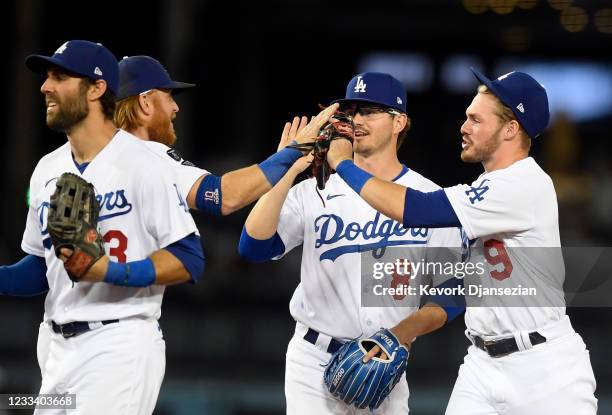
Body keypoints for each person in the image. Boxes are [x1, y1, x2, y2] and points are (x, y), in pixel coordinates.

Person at [325, 68, 598, 414]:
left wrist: (343, 165)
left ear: (511, 129)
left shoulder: (523, 184)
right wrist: (401, 331)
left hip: (545, 371)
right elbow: (457, 283)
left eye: (475, 120)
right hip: (481, 365)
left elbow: (416, 210)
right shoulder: (489, 185)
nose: (463, 127)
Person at [238, 72, 465, 414]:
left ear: (399, 122)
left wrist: (401, 334)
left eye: (370, 111)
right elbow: (253, 247)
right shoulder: (316, 188)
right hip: (313, 360)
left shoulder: (426, 198)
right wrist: (287, 167)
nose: (357, 120)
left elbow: (451, 293)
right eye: (352, 111)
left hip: (385, 362)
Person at [2, 39, 204, 415]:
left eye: (60, 77)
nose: (45, 87)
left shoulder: (145, 164)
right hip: (55, 349)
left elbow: (189, 259)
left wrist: (107, 271)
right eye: (47, 77)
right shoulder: (46, 169)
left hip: (119, 341)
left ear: (97, 89)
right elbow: (39, 269)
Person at [114, 55, 337, 215]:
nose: (175, 107)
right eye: (169, 97)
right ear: (145, 102)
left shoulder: (93, 156)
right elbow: (225, 196)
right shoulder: (151, 158)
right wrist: (293, 151)